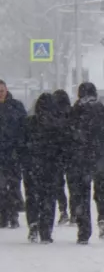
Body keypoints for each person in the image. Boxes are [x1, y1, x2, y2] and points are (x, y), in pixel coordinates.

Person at [68, 82, 104, 245]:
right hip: (102, 159)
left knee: (82, 195)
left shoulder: (75, 113)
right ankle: (103, 217)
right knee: (102, 192)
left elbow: (68, 137)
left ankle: (84, 231)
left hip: (80, 160)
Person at [21, 93, 70, 243]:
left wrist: (24, 161)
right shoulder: (58, 125)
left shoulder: (28, 123)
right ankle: (46, 231)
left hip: (31, 167)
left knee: (32, 197)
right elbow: (63, 147)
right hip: (51, 167)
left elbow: (21, 144)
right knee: (48, 199)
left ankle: (33, 224)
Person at [0, 79, 27, 228]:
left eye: (2, 91)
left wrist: (21, 147)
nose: (0, 94)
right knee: (1, 186)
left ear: (6, 90)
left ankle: (13, 215)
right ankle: (3, 215)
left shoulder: (16, 106)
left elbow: (24, 127)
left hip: (14, 153)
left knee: (14, 184)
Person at [52, 89, 74, 224]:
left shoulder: (53, 115)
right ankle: (74, 212)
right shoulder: (73, 113)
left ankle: (63, 210)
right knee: (73, 186)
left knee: (58, 185)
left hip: (56, 154)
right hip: (71, 154)